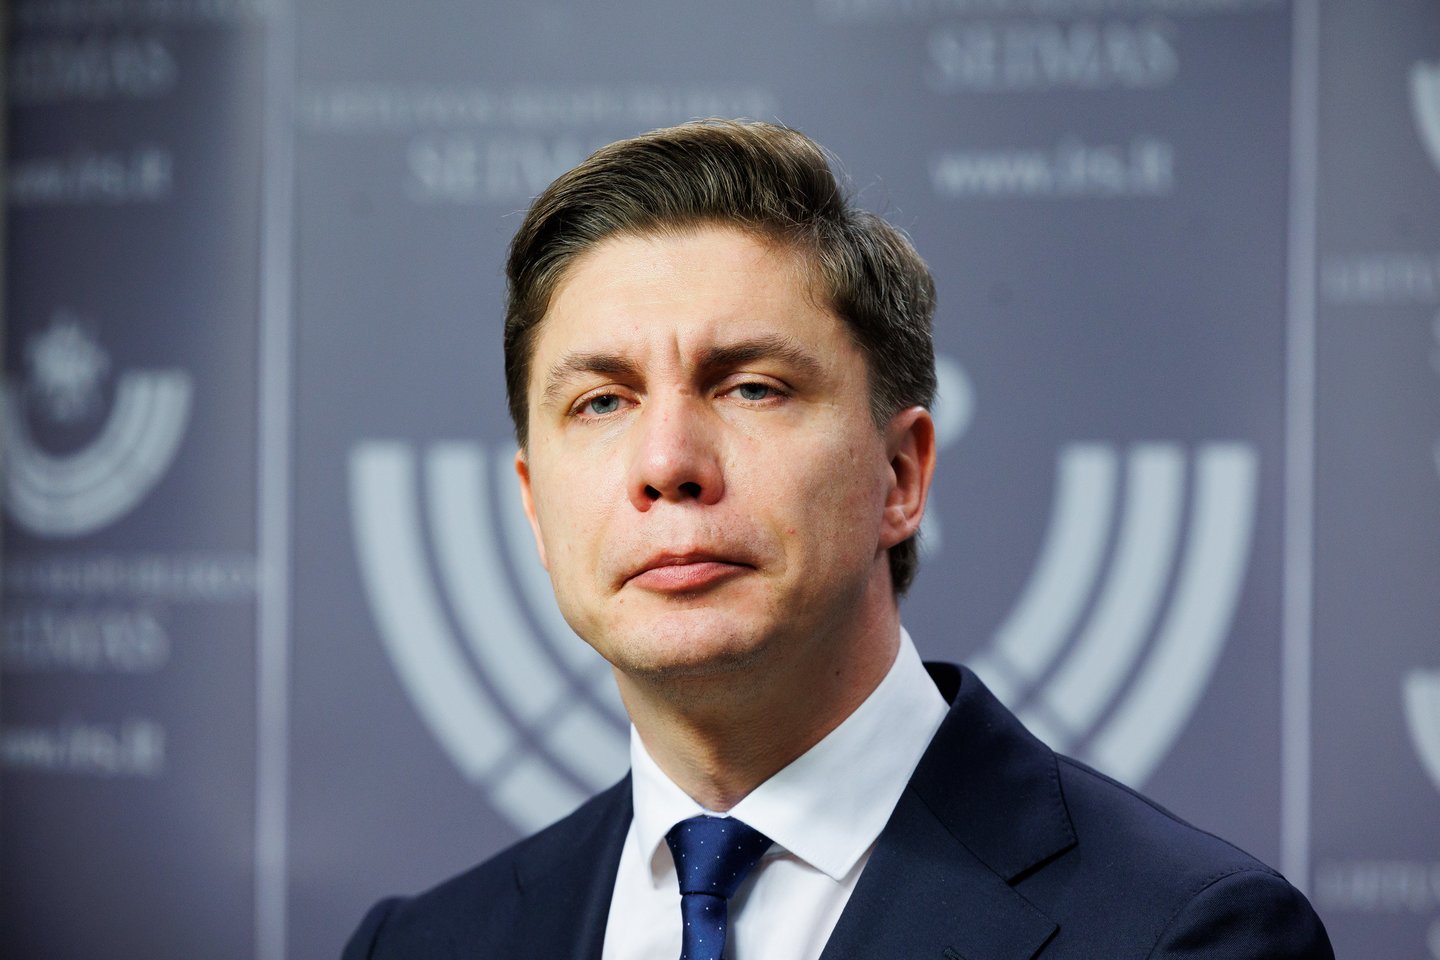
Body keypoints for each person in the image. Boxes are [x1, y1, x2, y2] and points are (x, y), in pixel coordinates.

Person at [343, 119, 1333, 959]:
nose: (668, 462)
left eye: (751, 387)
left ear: (900, 475)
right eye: (601, 401)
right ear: (533, 506)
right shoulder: (419, 946)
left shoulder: (1183, 934)